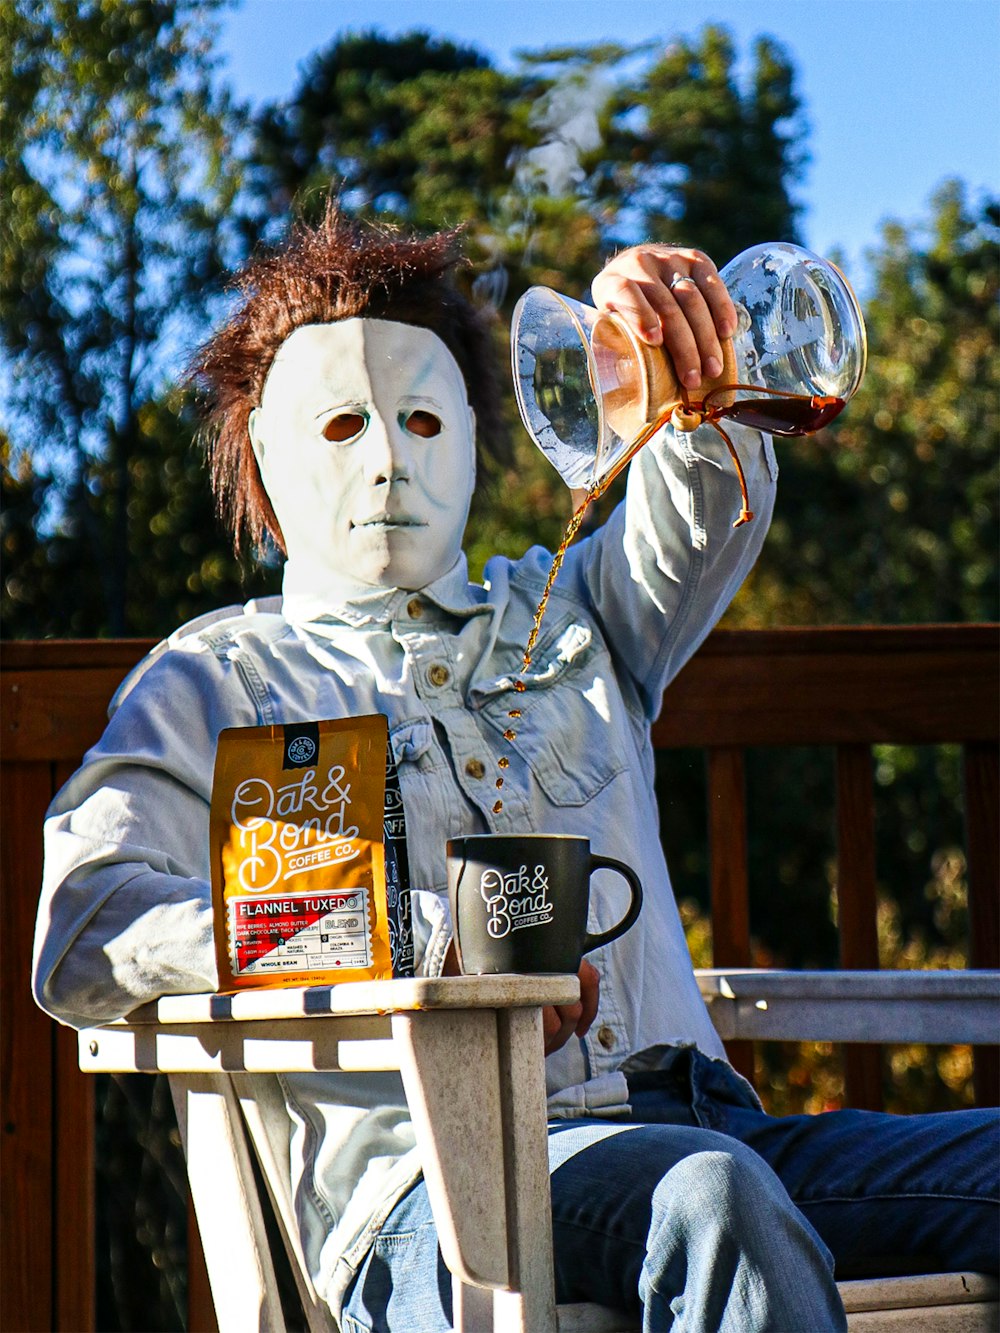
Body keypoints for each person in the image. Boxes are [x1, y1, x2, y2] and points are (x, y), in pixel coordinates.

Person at [33, 207, 997, 1333]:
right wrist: (393, 933)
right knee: (711, 1201)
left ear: (476, 443)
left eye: (424, 418)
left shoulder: (571, 614)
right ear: (263, 457)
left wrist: (675, 378)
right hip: (439, 1196)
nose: (389, 458)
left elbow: (698, 519)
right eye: (341, 423)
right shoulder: (220, 681)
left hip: (706, 1122)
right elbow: (85, 919)